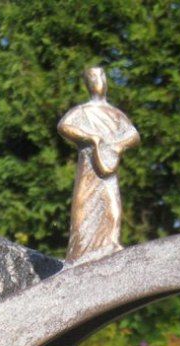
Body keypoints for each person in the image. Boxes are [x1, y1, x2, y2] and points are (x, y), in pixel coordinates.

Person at [58, 67, 139, 264]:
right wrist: (90, 137)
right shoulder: (83, 111)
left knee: (111, 205)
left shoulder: (115, 114)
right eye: (93, 77)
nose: (99, 80)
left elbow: (133, 135)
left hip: (108, 167)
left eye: (101, 76)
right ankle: (82, 251)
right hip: (89, 169)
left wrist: (118, 146)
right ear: (87, 83)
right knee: (84, 209)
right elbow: (64, 126)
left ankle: (110, 244)